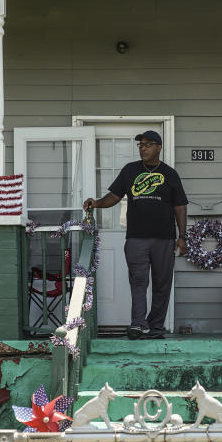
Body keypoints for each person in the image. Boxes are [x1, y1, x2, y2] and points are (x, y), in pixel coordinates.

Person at [83, 130, 187, 340]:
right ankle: (138, 324)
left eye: (148, 144)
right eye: (140, 145)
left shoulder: (170, 174)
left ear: (159, 147)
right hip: (136, 238)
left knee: (161, 283)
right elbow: (114, 196)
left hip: (164, 238)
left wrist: (182, 236)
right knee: (139, 282)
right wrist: (97, 203)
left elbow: (179, 206)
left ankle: (156, 327)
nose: (143, 148)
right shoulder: (130, 170)